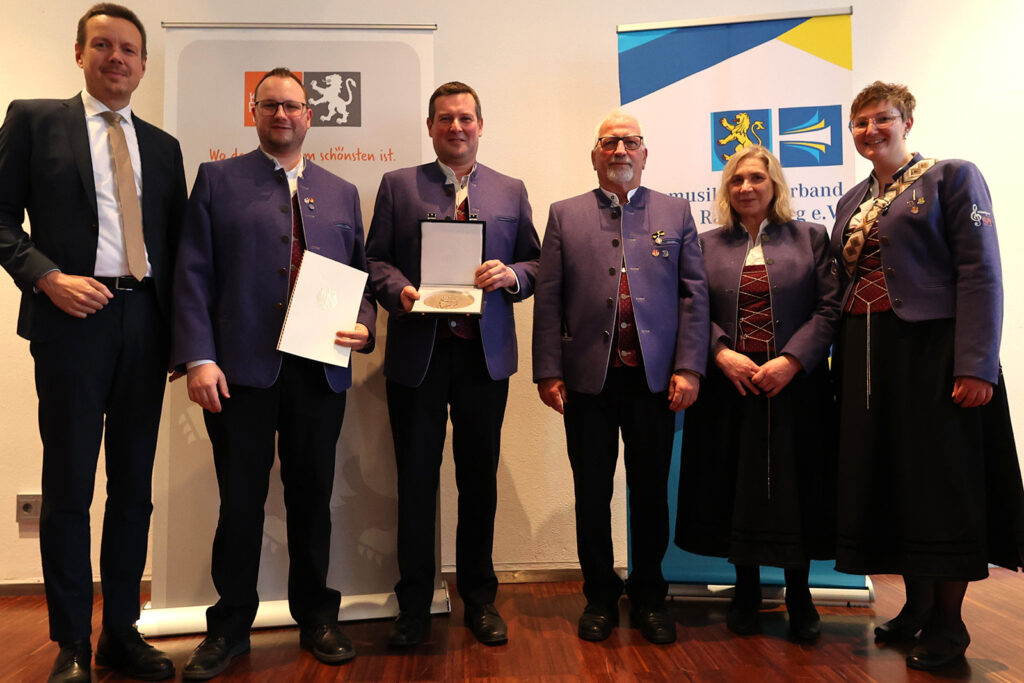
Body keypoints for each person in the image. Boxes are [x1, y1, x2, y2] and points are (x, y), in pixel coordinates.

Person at [0, 4, 186, 681]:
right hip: (71, 322)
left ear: (143, 64)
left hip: (146, 325)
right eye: (103, 45)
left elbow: (178, 249)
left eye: (129, 49)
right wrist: (46, 277)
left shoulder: (163, 147)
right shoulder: (34, 121)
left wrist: (182, 338)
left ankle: (122, 633)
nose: (117, 58)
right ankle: (72, 640)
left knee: (134, 487)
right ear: (79, 53)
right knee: (69, 486)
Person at [172, 68, 376, 679]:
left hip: (319, 373)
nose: (281, 115)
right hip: (239, 374)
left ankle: (316, 617)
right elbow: (192, 273)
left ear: (310, 115)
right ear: (254, 112)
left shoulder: (342, 191)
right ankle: (230, 628)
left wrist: (364, 324)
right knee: (241, 504)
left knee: (313, 499)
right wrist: (198, 357)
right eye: (270, 105)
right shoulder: (217, 180)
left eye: (292, 106)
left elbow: (360, 279)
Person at [832, 81, 1024, 671]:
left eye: (882, 118)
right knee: (894, 480)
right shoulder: (851, 200)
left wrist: (975, 364)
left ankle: (948, 623)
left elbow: (981, 272)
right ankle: (915, 608)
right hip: (867, 355)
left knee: (940, 485)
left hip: (934, 354)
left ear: (907, 122)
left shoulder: (951, 177)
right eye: (860, 122)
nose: (871, 130)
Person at [365, 81, 540, 647]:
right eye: (445, 119)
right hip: (418, 354)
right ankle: (414, 605)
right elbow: (374, 260)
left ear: (480, 125)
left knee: (478, 481)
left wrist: (512, 276)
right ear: (431, 126)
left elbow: (537, 262)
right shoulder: (398, 185)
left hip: (483, 358)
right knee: (416, 482)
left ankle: (480, 600)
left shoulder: (511, 190)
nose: (456, 127)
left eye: (466, 118)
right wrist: (400, 290)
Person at [532, 111, 709, 645]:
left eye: (630, 142)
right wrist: (548, 370)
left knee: (651, 493)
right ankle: (600, 597)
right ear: (595, 155)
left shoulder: (676, 213)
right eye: (609, 142)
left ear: (644, 153)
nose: (620, 151)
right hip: (588, 382)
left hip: (655, 382)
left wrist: (689, 365)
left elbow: (694, 296)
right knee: (591, 492)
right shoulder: (564, 215)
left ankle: (650, 596)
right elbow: (549, 299)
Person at [674, 145, 840, 641]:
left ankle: (800, 595)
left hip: (796, 387)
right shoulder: (705, 244)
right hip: (730, 387)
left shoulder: (811, 237)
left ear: (775, 185)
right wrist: (720, 353)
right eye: (736, 180)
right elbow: (690, 308)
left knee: (797, 488)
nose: (746, 187)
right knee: (734, 486)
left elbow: (830, 308)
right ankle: (745, 591)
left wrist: (791, 360)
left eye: (756, 179)